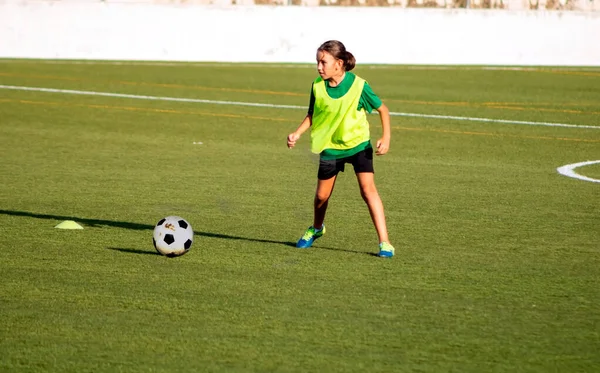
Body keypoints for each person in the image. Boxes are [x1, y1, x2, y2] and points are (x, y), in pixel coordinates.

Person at [287, 40, 395, 258]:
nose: (319, 67)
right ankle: (317, 229)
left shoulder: (359, 85)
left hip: (358, 145)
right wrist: (297, 133)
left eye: (323, 62)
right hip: (330, 148)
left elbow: (383, 109)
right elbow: (312, 115)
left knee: (368, 191)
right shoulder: (317, 86)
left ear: (338, 63)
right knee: (321, 197)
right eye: (317, 62)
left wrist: (386, 137)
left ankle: (385, 243)